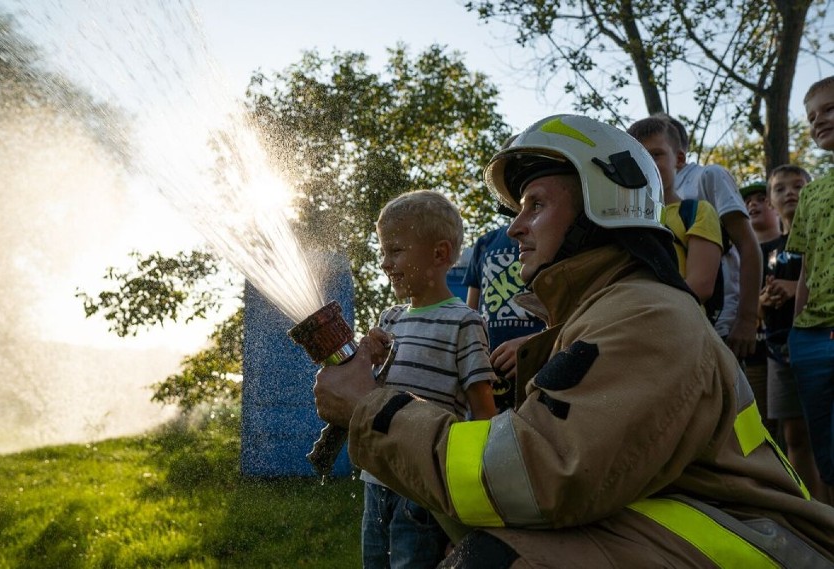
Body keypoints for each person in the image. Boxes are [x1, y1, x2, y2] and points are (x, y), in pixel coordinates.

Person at [314, 115, 834, 566]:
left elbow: (535, 474)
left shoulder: (644, 315)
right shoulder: (610, 310)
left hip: (756, 549)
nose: (515, 227)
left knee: (496, 561)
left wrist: (372, 410)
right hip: (704, 524)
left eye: (534, 204)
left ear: (601, 208)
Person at [361, 189, 498, 568]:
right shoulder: (389, 319)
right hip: (376, 480)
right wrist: (364, 361)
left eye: (396, 250)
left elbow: (483, 413)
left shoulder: (464, 322)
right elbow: (371, 396)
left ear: (439, 254)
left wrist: (471, 508)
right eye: (383, 251)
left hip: (422, 490)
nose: (385, 263)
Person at [659, 113, 763, 360]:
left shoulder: (708, 176)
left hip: (721, 322)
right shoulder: (655, 194)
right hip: (675, 324)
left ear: (677, 150)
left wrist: (747, 319)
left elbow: (748, 245)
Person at [760, 165, 828, 503]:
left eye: (798, 185)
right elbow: (758, 298)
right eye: (780, 188)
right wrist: (765, 299)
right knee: (793, 433)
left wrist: (791, 288)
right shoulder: (768, 248)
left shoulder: (823, 236)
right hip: (778, 349)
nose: (790, 192)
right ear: (771, 202)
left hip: (818, 342)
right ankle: (814, 513)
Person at [787, 76, 834, 506]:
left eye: (830, 108)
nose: (820, 120)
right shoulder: (813, 192)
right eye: (812, 116)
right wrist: (796, 332)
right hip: (810, 337)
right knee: (827, 458)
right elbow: (806, 265)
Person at [627, 116, 722, 306]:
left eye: (655, 154)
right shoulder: (622, 219)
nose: (646, 163)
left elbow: (701, 286)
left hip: (681, 325)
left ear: (679, 159)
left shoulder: (698, 212)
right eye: (638, 156)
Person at [463, 211, 546, 411]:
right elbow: (469, 314)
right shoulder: (485, 242)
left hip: (538, 370)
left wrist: (534, 346)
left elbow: (572, 316)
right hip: (488, 375)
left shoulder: (549, 237)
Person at [741, 180, 782, 438]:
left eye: (760, 198)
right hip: (752, 355)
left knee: (792, 431)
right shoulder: (738, 253)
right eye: (747, 201)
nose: (752, 204)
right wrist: (758, 303)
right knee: (756, 431)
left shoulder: (794, 246)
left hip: (787, 355)